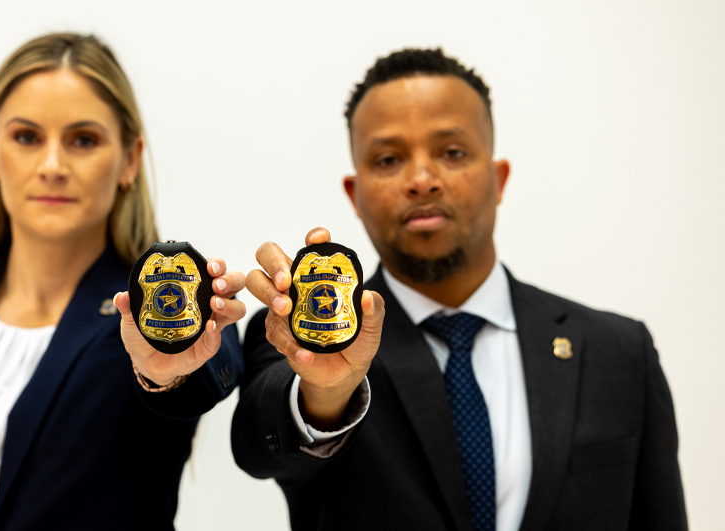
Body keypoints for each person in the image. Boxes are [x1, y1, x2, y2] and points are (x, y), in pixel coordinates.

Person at [233, 48, 687, 531]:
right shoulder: (297, 336)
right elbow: (257, 450)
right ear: (355, 194)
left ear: (499, 179)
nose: (421, 180)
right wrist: (325, 391)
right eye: (389, 159)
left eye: (451, 152)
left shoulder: (619, 352)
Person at [0, 33, 245, 531]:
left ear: (130, 158)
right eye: (26, 137)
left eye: (83, 140)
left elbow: (205, 367)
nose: (52, 166)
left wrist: (165, 372)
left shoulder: (168, 308)